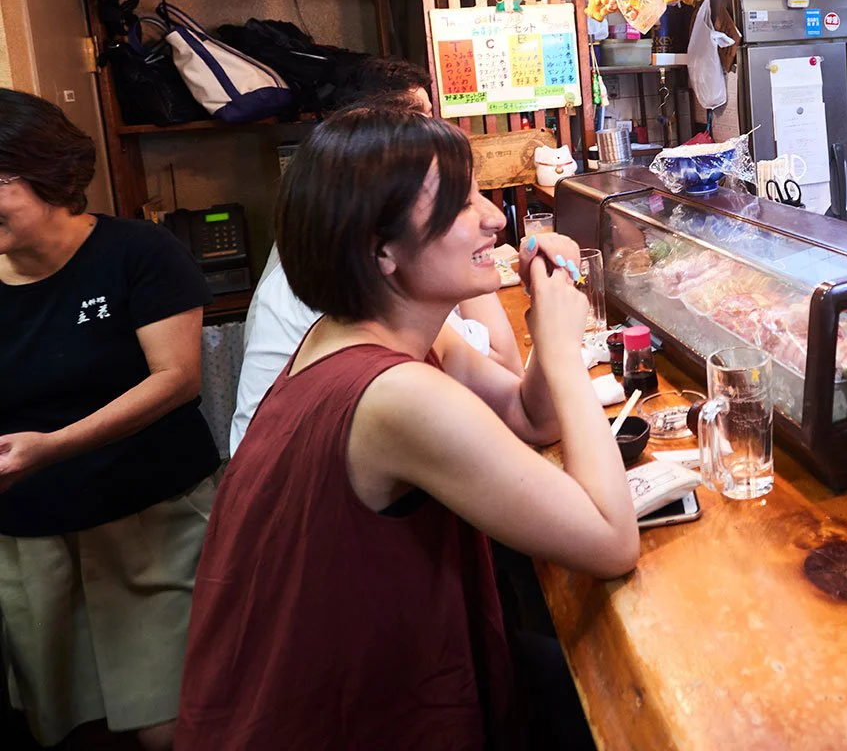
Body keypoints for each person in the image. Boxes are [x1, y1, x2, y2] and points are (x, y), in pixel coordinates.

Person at [176, 107, 637, 749]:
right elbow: (611, 540)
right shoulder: (393, 394)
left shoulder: (368, 332)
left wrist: (544, 314)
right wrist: (562, 349)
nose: (495, 217)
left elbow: (529, 417)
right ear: (382, 251)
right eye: (458, 204)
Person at [0, 90, 219, 749]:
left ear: (46, 174)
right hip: (32, 541)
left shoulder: (137, 253)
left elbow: (176, 380)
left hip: (153, 522)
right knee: (66, 727)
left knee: (172, 725)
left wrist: (50, 448)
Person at [229, 62, 531, 455]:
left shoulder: (375, 301)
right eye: (419, 120)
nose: (434, 133)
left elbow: (516, 402)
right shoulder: (379, 363)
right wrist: (554, 327)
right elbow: (507, 373)